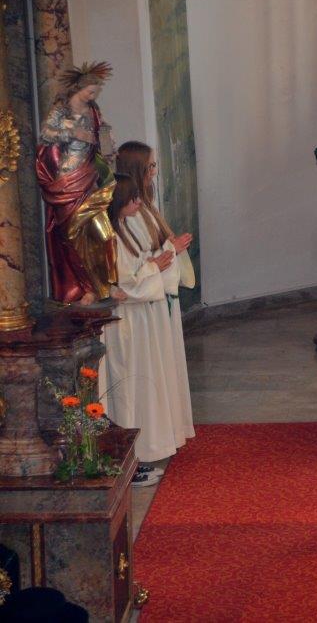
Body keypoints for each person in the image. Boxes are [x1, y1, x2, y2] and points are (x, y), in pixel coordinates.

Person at [100, 173, 183, 484]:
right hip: (124, 324)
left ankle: (137, 453)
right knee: (128, 390)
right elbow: (122, 286)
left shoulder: (124, 229)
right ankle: (127, 460)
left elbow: (134, 274)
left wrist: (156, 263)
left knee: (140, 386)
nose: (138, 203)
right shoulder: (111, 236)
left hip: (137, 320)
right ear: (118, 201)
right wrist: (155, 266)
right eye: (133, 198)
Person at [116, 142, 195, 460]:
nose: (154, 172)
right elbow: (134, 269)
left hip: (154, 302)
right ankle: (149, 444)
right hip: (141, 310)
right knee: (146, 379)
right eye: (150, 166)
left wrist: (171, 249)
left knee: (161, 373)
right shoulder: (128, 218)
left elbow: (151, 254)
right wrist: (168, 252)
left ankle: (164, 435)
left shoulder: (143, 208)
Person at [35, 62, 118, 304]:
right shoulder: (61, 110)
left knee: (106, 236)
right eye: (90, 92)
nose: (93, 96)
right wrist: (72, 133)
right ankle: (87, 288)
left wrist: (107, 144)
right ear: (79, 88)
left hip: (91, 178)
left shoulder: (93, 110)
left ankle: (109, 283)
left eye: (95, 92)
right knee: (73, 237)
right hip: (67, 180)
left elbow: (102, 132)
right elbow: (46, 134)